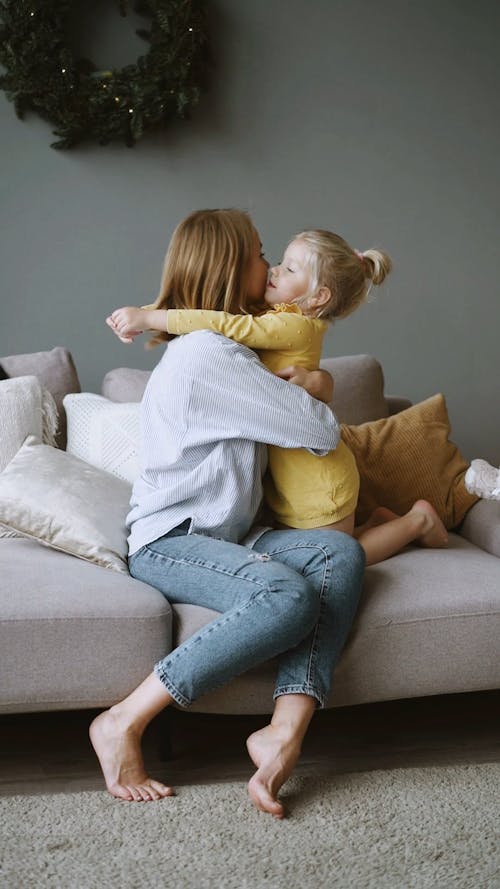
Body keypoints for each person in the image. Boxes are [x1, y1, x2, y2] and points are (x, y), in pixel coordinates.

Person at [94, 208, 366, 818]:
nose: (269, 267)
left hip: (232, 537)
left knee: (338, 550)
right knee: (286, 597)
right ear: (227, 266)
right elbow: (318, 431)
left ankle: (283, 730)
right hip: (172, 541)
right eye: (260, 253)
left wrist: (317, 379)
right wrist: (320, 387)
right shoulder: (209, 356)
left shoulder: (237, 350)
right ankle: (122, 720)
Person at [107, 229, 449, 565]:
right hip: (296, 474)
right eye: (279, 262)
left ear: (318, 297)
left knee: (345, 555)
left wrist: (150, 317)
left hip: (317, 478)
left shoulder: (294, 326)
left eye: (290, 268)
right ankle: (378, 522)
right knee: (336, 545)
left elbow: (226, 324)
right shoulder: (276, 317)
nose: (274, 269)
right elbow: (206, 308)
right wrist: (145, 311)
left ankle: (417, 521)